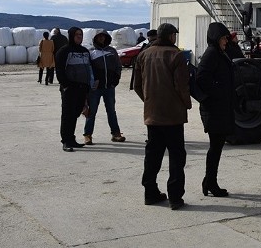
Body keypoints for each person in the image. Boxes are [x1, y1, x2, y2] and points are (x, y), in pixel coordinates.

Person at [133, 22, 191, 210]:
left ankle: (150, 193)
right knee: (176, 157)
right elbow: (181, 86)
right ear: (170, 36)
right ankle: (175, 197)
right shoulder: (176, 55)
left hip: (153, 114)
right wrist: (186, 104)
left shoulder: (143, 55)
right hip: (173, 116)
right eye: (175, 34)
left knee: (152, 155)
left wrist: (149, 100)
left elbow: (136, 85)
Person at [195, 22, 236, 198]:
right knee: (215, 147)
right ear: (215, 39)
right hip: (214, 109)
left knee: (217, 147)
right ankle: (210, 182)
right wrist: (219, 91)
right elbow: (202, 78)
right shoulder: (211, 54)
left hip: (219, 108)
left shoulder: (220, 53)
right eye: (223, 38)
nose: (225, 41)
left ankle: (209, 181)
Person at [54, 26, 94, 152]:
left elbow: (88, 68)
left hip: (83, 88)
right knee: (67, 115)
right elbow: (59, 70)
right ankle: (66, 141)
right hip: (70, 88)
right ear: (71, 36)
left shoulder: (84, 51)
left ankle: (72, 139)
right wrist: (66, 85)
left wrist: (89, 84)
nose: (79, 37)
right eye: (77, 34)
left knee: (76, 113)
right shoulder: (64, 51)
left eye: (81, 35)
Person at [83, 31, 125, 145]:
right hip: (95, 88)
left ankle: (116, 134)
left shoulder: (112, 51)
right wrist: (91, 82)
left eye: (103, 36)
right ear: (95, 38)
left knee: (111, 111)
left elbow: (118, 66)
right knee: (92, 112)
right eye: (99, 36)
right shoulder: (91, 52)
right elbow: (88, 69)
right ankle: (88, 135)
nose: (101, 38)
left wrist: (116, 79)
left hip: (109, 87)